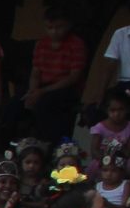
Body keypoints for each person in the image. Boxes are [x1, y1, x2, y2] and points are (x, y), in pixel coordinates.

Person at [23, 14, 91, 148]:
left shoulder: (76, 44)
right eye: (50, 28)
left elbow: (74, 77)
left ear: (68, 25)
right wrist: (32, 91)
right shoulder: (42, 44)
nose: (54, 31)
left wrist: (42, 92)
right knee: (16, 105)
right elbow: (35, 73)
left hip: (66, 88)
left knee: (45, 105)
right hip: (42, 87)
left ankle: (48, 145)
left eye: (58, 27)